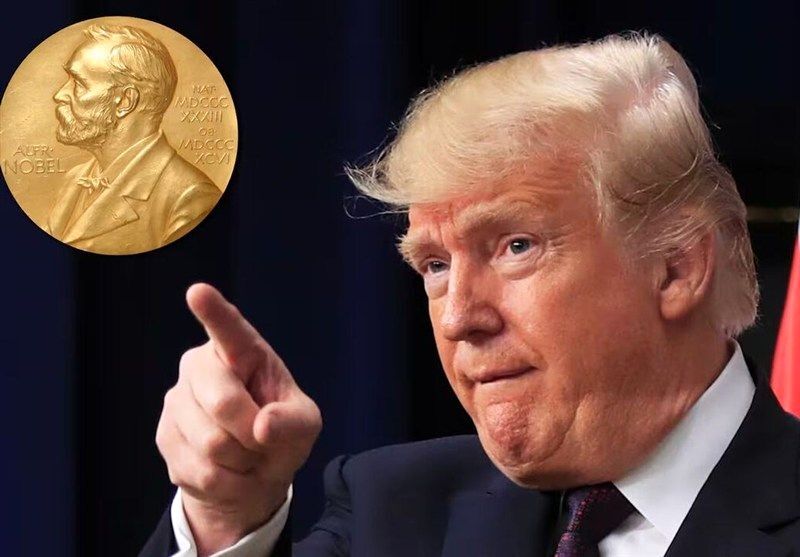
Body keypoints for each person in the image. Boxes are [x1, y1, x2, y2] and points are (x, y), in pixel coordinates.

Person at [141, 32, 800, 556]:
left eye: (516, 246)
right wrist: (225, 517)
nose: (458, 317)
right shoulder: (390, 512)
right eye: (434, 265)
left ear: (676, 267)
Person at [47, 24, 221, 254]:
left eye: (78, 83)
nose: (59, 95)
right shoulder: (74, 179)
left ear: (125, 101)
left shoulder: (190, 199)